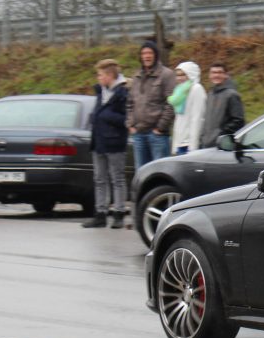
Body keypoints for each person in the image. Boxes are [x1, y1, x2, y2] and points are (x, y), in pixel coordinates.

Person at [84, 59, 129, 229]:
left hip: (115, 141)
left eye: (101, 75)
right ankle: (100, 213)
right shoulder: (100, 92)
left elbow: (126, 119)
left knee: (116, 178)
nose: (98, 78)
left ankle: (119, 213)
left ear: (110, 75)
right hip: (99, 141)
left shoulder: (122, 93)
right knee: (99, 179)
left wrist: (105, 116)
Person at [126, 39, 176, 169]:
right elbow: (130, 102)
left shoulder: (167, 75)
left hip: (157, 135)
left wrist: (160, 127)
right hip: (139, 134)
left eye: (149, 53)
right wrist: (130, 124)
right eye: (144, 53)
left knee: (159, 172)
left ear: (155, 55)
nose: (147, 56)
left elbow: (171, 103)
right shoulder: (136, 76)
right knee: (141, 174)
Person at [200, 62, 246, 149]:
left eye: (219, 72)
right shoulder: (210, 94)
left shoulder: (232, 95)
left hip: (222, 145)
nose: (216, 75)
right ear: (209, 75)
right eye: (213, 72)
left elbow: (238, 121)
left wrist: (221, 134)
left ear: (225, 75)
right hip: (206, 144)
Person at [169, 61, 207, 155]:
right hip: (181, 143)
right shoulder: (179, 91)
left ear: (191, 74)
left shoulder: (196, 89)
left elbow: (197, 119)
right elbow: (179, 120)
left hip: (189, 144)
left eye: (183, 75)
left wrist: (193, 148)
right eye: (177, 75)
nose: (179, 78)